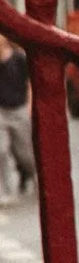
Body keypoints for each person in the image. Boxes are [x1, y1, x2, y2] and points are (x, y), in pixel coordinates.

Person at [0, 33, 33, 203]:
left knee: (25, 154)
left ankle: (32, 175)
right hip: (1, 112)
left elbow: (29, 84)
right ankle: (4, 191)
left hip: (19, 110)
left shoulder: (20, 59)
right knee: (1, 150)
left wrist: (29, 107)